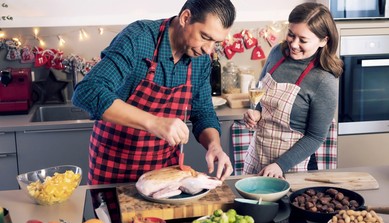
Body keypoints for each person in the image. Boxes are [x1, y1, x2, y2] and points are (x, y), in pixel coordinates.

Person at [72, 0, 235, 185]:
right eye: (205, 37)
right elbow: (88, 92)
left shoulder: (201, 59)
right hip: (115, 166)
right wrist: (154, 122)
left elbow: (203, 111)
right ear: (185, 18)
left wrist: (214, 146)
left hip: (165, 172)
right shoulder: (139, 38)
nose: (208, 49)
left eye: (216, 42)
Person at [243, 2, 343, 178]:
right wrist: (257, 114)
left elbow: (315, 137)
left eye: (303, 40)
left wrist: (280, 165)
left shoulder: (324, 80)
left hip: (291, 167)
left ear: (323, 40)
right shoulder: (277, 53)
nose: (294, 44)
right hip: (257, 155)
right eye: (291, 34)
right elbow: (260, 95)